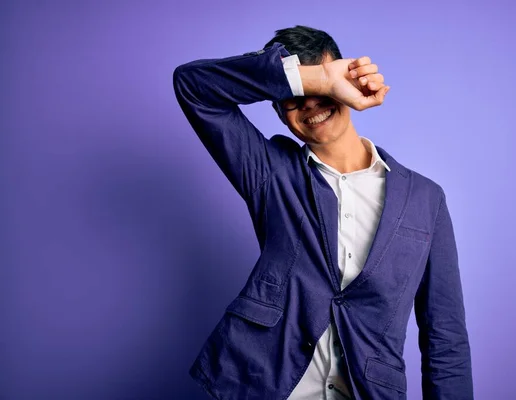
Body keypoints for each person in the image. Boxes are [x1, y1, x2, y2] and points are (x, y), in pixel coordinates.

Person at [173, 25, 473, 400]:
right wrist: (318, 78)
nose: (311, 103)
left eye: (322, 91)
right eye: (295, 95)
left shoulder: (426, 199)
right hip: (264, 387)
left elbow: (445, 334)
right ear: (280, 110)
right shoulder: (270, 172)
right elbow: (192, 86)